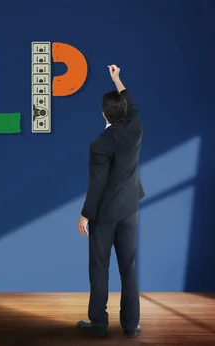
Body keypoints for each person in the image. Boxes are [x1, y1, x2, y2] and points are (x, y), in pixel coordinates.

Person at [76, 65, 144, 338]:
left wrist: (85, 215)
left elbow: (97, 185)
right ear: (125, 111)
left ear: (103, 113)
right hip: (130, 210)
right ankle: (131, 325)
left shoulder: (100, 144)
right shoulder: (136, 128)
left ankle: (99, 324)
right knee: (128, 267)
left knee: (99, 267)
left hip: (104, 215)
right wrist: (118, 80)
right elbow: (131, 102)